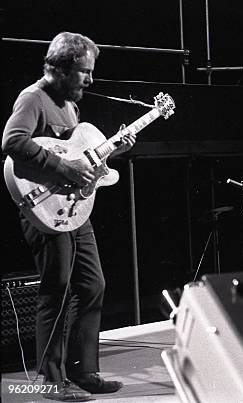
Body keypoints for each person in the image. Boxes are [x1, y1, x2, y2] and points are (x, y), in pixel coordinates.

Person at [2, 32, 135, 401]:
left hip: (74, 208)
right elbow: (12, 142)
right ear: (60, 69)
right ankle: (51, 380)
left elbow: (81, 160)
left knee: (93, 285)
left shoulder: (71, 106)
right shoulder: (34, 99)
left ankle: (84, 371)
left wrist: (112, 153)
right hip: (43, 210)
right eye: (84, 72)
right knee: (56, 291)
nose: (90, 80)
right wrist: (64, 166)